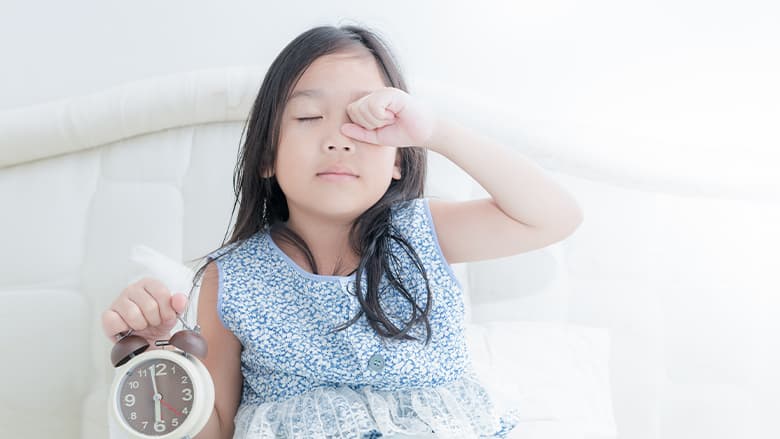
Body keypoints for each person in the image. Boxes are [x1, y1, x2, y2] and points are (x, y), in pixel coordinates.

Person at [101, 23, 584, 439]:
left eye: (366, 120)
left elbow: (554, 217)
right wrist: (160, 361)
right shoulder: (227, 281)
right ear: (266, 155)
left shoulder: (424, 231)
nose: (337, 139)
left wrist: (434, 131)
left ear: (398, 157)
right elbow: (213, 430)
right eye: (309, 117)